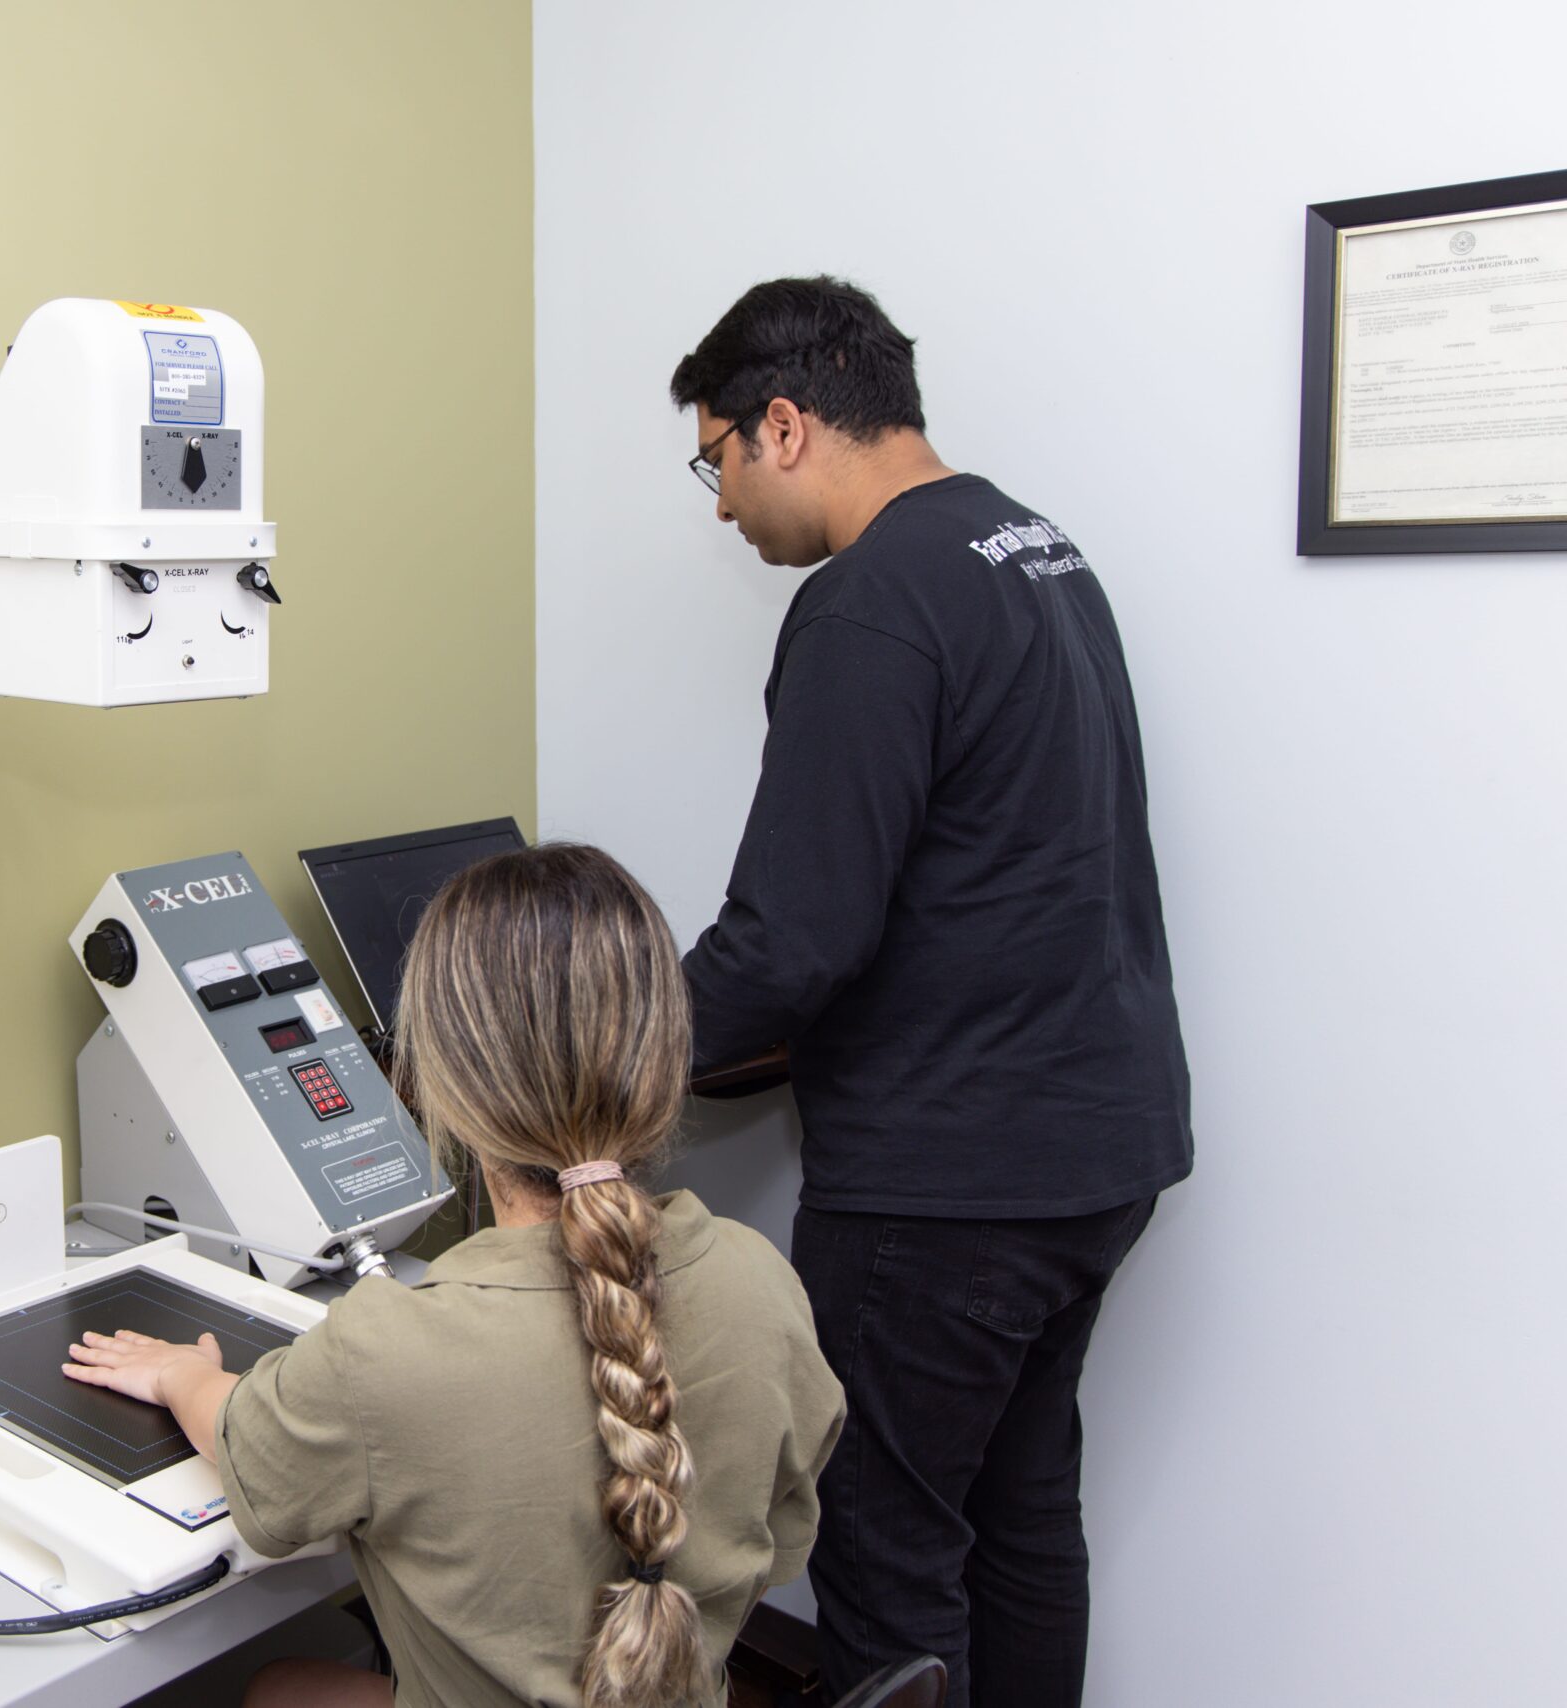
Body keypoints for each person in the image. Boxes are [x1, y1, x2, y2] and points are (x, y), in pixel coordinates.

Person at [668, 276, 1193, 1708]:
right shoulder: (1031, 546)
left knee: (893, 1558)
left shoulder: (868, 604)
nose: (720, 506)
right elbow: (981, 863)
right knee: (1020, 1519)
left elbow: (793, 941)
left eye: (713, 459)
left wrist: (600, 1048)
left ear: (782, 425)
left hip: (953, 1187)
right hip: (1099, 1144)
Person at [63, 843, 845, 1708]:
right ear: (666, 1053)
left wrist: (182, 1374)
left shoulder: (389, 1351)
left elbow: (250, 1448)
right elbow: (773, 1544)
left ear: (440, 1078)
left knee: (276, 1689)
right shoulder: (761, 1282)